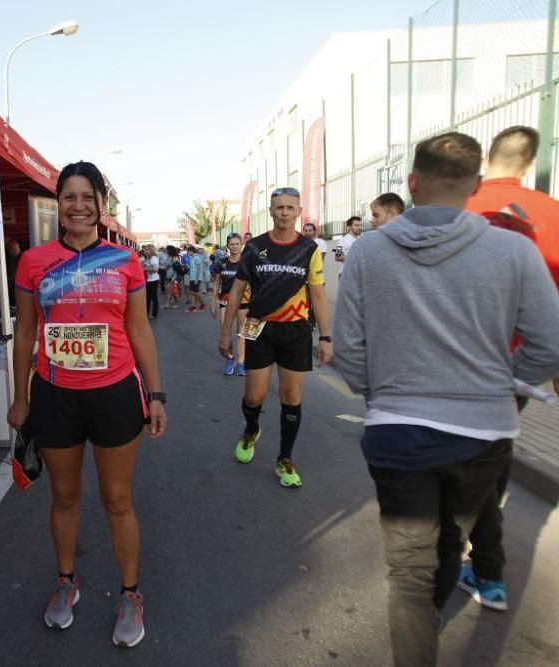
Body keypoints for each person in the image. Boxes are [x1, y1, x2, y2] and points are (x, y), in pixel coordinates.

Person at [331, 132, 559, 667]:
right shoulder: (514, 250)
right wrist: (510, 384)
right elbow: (549, 344)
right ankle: (427, 621)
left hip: (397, 430)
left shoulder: (368, 252)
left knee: (410, 575)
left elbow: (349, 348)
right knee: (449, 545)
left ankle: (417, 639)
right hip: (484, 434)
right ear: (476, 185)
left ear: (412, 183)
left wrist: (380, 391)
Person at [8, 160, 167, 648]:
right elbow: (26, 333)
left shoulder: (126, 262)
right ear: (58, 204)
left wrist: (156, 394)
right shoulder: (34, 262)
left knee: (117, 499)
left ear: (101, 204)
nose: (77, 206)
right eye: (68, 197)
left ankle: (130, 593)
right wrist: (20, 396)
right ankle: (66, 582)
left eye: (86, 196)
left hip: (115, 392)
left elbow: (139, 329)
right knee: (64, 497)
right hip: (55, 396)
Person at [460, 125, 559, 611]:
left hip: (457, 362)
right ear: (528, 162)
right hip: (518, 367)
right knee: (490, 456)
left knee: (475, 465)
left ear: (489, 159)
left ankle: (484, 569)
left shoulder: (458, 205)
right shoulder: (553, 214)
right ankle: (480, 566)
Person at [217, 187, 330, 488]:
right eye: (278, 207)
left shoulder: (309, 249)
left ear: (298, 211)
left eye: (290, 208)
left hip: (295, 331)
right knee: (254, 396)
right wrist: (225, 333)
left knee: (291, 397)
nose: (284, 212)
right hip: (258, 328)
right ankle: (251, 429)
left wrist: (327, 338)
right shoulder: (253, 248)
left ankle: (284, 458)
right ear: (270, 211)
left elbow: (318, 295)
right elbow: (237, 291)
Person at [212, 233, 249, 376]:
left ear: (241, 245)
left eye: (236, 244)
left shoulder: (247, 262)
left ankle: (241, 363)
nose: (234, 246)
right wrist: (213, 305)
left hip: (244, 302)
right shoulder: (221, 263)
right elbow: (216, 284)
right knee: (224, 332)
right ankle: (230, 358)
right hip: (225, 301)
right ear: (227, 246)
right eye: (231, 244)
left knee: (242, 334)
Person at [141, 244, 160, 319]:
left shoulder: (154, 258)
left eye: (147, 250)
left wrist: (145, 269)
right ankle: (147, 314)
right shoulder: (147, 258)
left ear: (151, 250)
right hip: (148, 280)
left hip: (153, 280)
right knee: (147, 298)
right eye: (145, 250)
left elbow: (156, 269)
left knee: (153, 297)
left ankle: (154, 314)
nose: (145, 251)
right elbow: (138, 261)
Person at [5, 237, 24, 305]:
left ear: (18, 247)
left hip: (20, 287)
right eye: (9, 250)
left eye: (13, 249)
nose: (11, 252)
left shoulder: (23, 257)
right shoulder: (12, 259)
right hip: (14, 287)